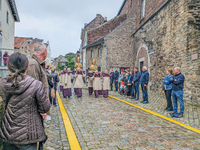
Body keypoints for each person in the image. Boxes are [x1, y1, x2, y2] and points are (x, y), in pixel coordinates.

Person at [0, 53, 51, 150]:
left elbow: (4, 98)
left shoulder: (2, 83)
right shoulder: (36, 84)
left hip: (8, 132)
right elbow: (45, 107)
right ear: (27, 67)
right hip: (29, 134)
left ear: (9, 67)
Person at [27, 42, 49, 122]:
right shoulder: (33, 64)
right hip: (35, 110)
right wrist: (41, 110)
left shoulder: (38, 64)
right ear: (44, 52)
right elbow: (33, 89)